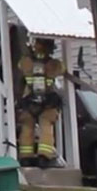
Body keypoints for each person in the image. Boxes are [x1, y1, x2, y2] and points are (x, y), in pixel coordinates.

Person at [17, 37, 64, 168]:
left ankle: (25, 157)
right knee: (46, 128)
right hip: (48, 101)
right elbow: (62, 69)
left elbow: (20, 66)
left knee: (27, 128)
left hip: (29, 100)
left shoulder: (26, 62)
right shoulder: (54, 64)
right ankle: (44, 156)